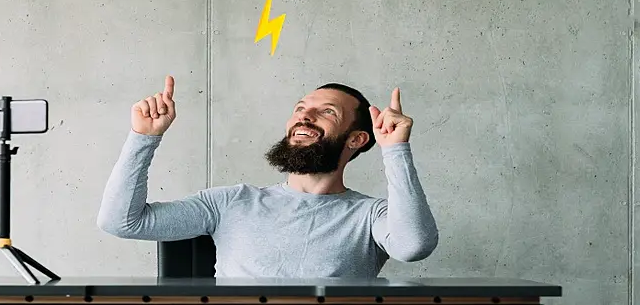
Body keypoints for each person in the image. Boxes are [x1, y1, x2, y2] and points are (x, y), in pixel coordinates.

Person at [96, 75, 438, 278]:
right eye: (300, 109)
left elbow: (413, 247)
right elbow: (121, 222)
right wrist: (144, 137)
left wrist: (395, 150)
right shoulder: (230, 203)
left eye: (327, 112)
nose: (304, 117)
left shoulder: (370, 215)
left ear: (356, 139)